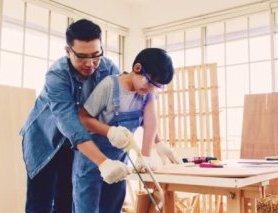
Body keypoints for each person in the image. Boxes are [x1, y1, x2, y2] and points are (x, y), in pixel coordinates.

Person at [20, 19, 122, 213]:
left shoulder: (109, 70)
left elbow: (119, 106)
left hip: (78, 146)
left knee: (66, 200)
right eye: (82, 57)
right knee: (39, 202)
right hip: (44, 140)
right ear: (68, 51)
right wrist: (103, 162)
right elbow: (69, 121)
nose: (90, 63)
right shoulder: (56, 75)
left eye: (95, 55)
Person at [74, 48, 178, 212]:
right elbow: (83, 118)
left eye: (156, 87)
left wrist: (148, 153)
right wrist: (109, 131)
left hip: (119, 164)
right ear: (137, 68)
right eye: (150, 83)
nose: (151, 89)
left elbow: (150, 119)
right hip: (91, 163)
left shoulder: (146, 91)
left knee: (113, 209)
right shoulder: (110, 85)